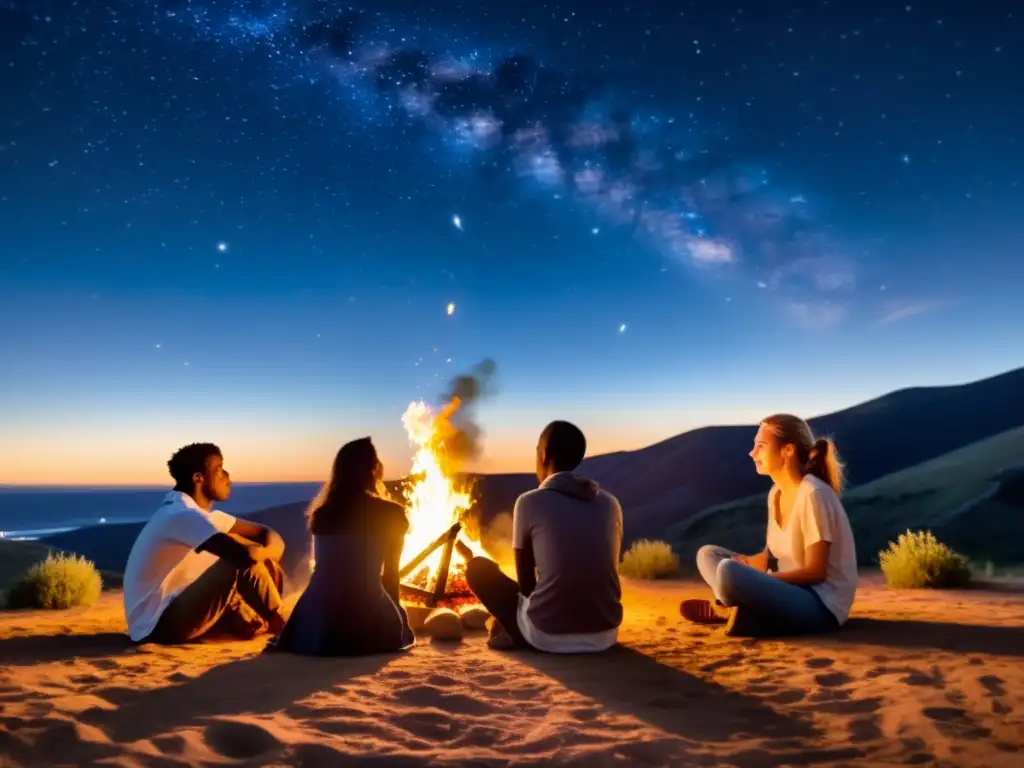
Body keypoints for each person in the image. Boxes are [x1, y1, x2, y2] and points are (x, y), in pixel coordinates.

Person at [680, 414, 858, 637]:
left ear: (788, 450)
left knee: (728, 572)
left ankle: (729, 609)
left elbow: (817, 571)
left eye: (761, 446)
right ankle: (744, 612)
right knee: (708, 555)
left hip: (820, 604)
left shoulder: (814, 494)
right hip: (789, 591)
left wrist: (756, 578)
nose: (752, 453)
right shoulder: (776, 494)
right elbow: (773, 556)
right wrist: (748, 565)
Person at [465, 420, 623, 653]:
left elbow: (527, 585)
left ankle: (515, 633)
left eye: (537, 450)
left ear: (544, 454)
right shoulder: (610, 503)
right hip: (605, 634)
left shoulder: (529, 501)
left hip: (547, 636)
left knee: (478, 569)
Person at [123, 443, 288, 644]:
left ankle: (256, 621)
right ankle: (283, 628)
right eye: (219, 470)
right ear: (198, 477)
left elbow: (268, 534)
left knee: (259, 559)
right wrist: (264, 554)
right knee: (240, 561)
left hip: (178, 611)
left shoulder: (202, 517)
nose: (227, 478)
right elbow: (244, 557)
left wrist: (265, 555)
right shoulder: (181, 515)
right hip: (157, 626)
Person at [269, 437, 415, 656]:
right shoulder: (392, 513)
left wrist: (299, 626)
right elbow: (391, 574)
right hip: (365, 623)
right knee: (402, 631)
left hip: (316, 627)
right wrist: (397, 619)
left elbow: (323, 572)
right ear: (374, 469)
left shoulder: (322, 514)